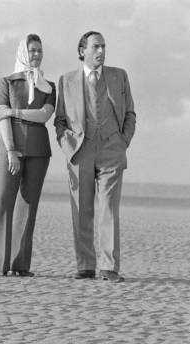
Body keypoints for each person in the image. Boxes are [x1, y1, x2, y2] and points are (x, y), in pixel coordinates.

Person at [54, 31, 136, 282]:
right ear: (82, 51)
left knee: (108, 208)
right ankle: (86, 265)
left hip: (112, 148)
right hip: (80, 150)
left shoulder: (119, 76)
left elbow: (131, 114)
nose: (101, 51)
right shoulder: (66, 80)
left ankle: (108, 267)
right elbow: (59, 120)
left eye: (104, 46)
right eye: (96, 47)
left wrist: (122, 142)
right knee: (82, 209)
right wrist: (68, 147)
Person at [0, 35, 56, 277]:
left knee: (28, 205)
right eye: (32, 50)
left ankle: (20, 264)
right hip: (9, 148)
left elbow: (45, 115)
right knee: (4, 201)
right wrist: (12, 150)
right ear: (24, 52)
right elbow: (0, 116)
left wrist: (14, 112)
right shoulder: (6, 82)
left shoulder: (49, 86)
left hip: (39, 151)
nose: (36, 54)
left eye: (40, 50)